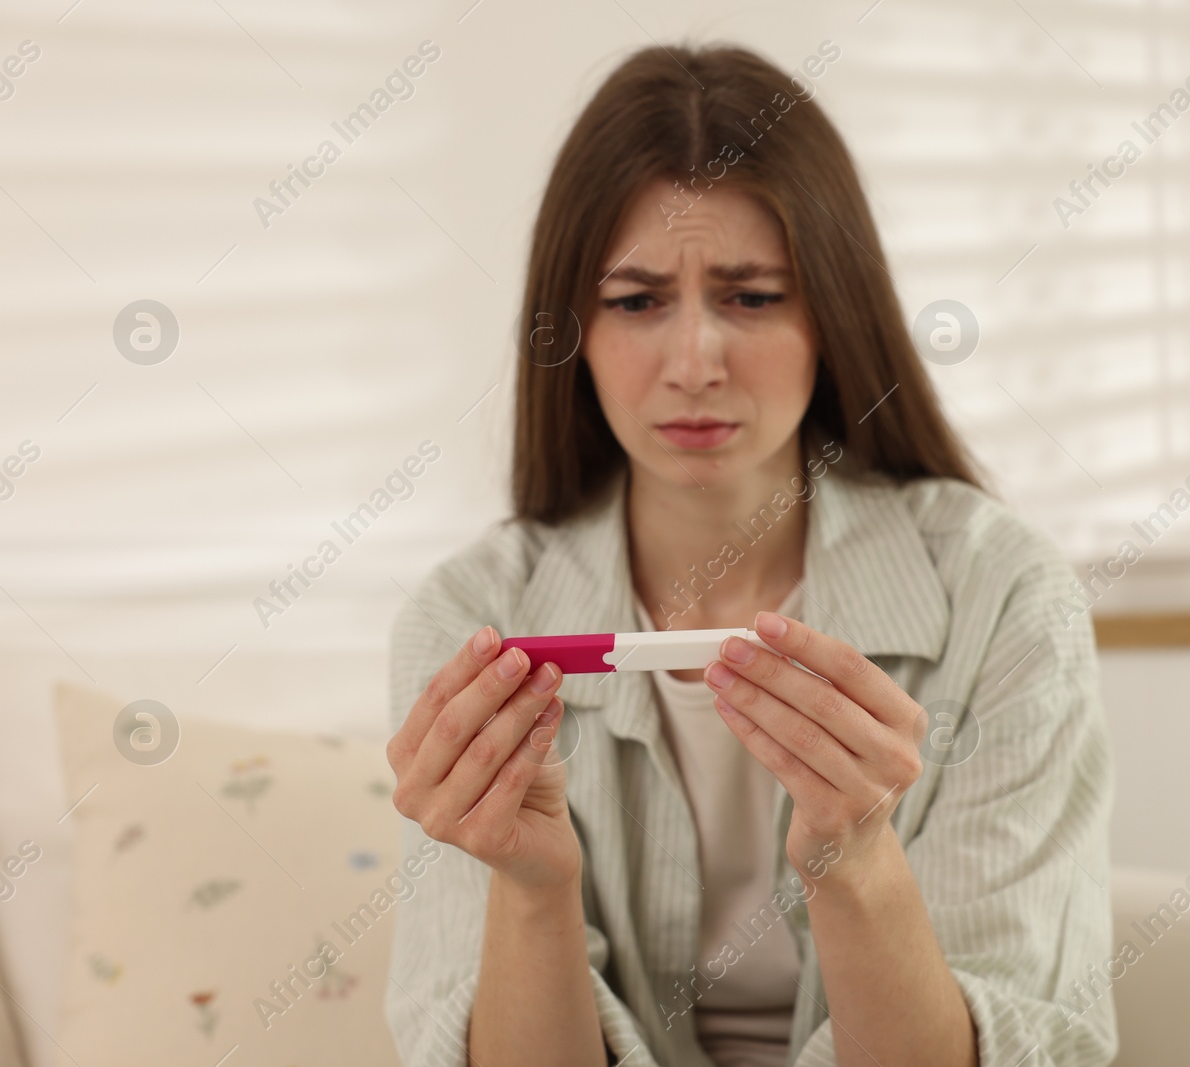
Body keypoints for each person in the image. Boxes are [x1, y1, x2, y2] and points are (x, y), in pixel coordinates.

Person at [382, 43, 1116, 1067]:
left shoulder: (1003, 600)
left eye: (753, 296)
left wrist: (855, 858)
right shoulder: (471, 618)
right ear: (573, 330)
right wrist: (531, 885)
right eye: (637, 301)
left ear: (832, 313)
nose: (694, 363)